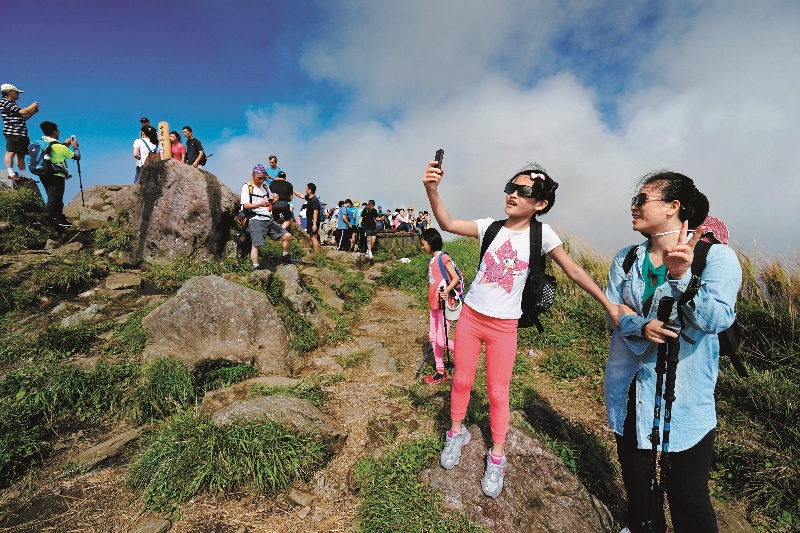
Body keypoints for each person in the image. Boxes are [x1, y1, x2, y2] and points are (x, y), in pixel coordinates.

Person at [423, 159, 625, 498]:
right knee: (461, 380)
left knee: (498, 392)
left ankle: (497, 455)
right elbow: (447, 223)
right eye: (510, 188)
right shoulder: (489, 227)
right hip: (471, 316)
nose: (513, 194)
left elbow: (574, 270)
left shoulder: (542, 235)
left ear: (540, 203)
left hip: (504, 326)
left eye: (523, 191)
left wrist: (608, 304)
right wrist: (432, 190)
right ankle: (456, 432)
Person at [605, 172, 741, 533]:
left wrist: (682, 278)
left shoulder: (716, 258)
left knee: (688, 497)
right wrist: (640, 326)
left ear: (673, 206)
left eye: (641, 199)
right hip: (628, 388)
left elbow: (716, 319)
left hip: (683, 396)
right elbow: (614, 308)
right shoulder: (627, 258)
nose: (633, 206)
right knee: (639, 486)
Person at [421, 227, 459, 384]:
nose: (422, 247)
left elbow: (455, 278)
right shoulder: (432, 260)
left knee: (442, 341)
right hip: (434, 305)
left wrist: (447, 291)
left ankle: (465, 353)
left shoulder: (444, 258)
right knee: (433, 338)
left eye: (423, 244)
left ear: (431, 242)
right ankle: (440, 371)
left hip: (444, 305)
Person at [241, 164, 295, 267]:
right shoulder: (247, 187)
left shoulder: (265, 187)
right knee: (256, 244)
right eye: (259, 178)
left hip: (268, 218)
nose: (261, 181)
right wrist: (260, 204)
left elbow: (269, 202)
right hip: (255, 218)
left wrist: (274, 200)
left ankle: (285, 258)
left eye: (264, 178)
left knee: (287, 236)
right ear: (253, 175)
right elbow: (245, 205)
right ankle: (256, 267)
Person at [37, 121, 80, 227]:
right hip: (56, 176)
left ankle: (59, 218)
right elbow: (77, 156)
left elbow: (53, 151)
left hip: (43, 173)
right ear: (55, 132)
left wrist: (65, 144)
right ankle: (50, 222)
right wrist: (75, 147)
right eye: (58, 131)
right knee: (54, 199)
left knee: (53, 197)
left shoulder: (41, 143)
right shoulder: (60, 147)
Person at [1, 83, 39, 182]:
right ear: (10, 92)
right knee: (11, 152)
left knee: (21, 154)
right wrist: (32, 106)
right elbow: (22, 112)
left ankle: (23, 175)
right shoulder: (5, 101)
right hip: (13, 132)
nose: (18, 94)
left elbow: (22, 118)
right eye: (16, 92)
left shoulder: (11, 103)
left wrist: (32, 113)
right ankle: (11, 173)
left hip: (21, 133)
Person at [299, 182, 321, 252]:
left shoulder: (315, 200)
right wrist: (292, 189)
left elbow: (315, 212)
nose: (305, 190)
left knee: (314, 237)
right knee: (309, 236)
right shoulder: (309, 198)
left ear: (310, 190)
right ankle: (313, 250)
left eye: (306, 188)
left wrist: (314, 224)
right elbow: (301, 196)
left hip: (313, 220)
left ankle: (317, 253)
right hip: (309, 220)